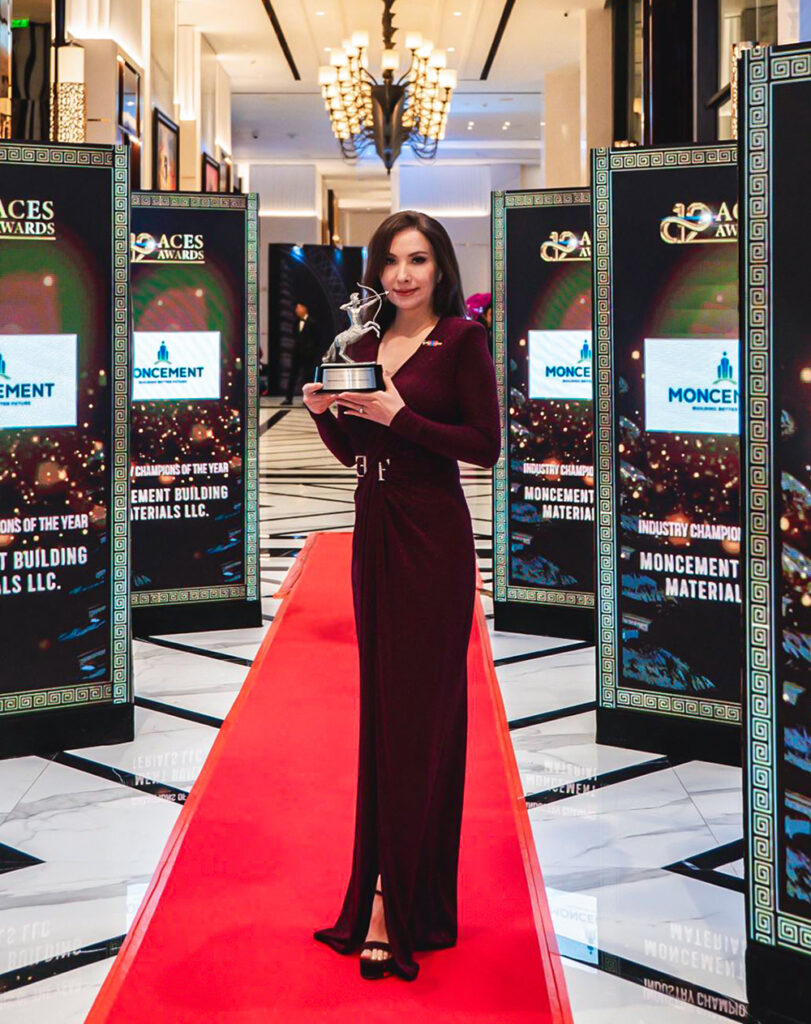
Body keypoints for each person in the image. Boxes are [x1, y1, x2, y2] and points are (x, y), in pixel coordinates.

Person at [303, 210, 501, 981]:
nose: (402, 275)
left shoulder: (460, 341)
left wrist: (403, 415)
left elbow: (482, 448)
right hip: (374, 530)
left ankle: (395, 901)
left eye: (417, 260)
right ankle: (382, 885)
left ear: (440, 267)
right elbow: (356, 450)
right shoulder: (363, 344)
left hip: (431, 537)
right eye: (390, 261)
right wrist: (326, 417)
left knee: (419, 719)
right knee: (383, 717)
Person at [282, 300, 322, 404]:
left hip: (308, 355)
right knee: (293, 376)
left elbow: (317, 339)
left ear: (304, 309)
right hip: (297, 354)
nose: (296, 310)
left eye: (298, 308)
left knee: (307, 377)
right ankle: (288, 398)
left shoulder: (312, 322)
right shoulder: (296, 322)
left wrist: (312, 351)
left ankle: (307, 398)